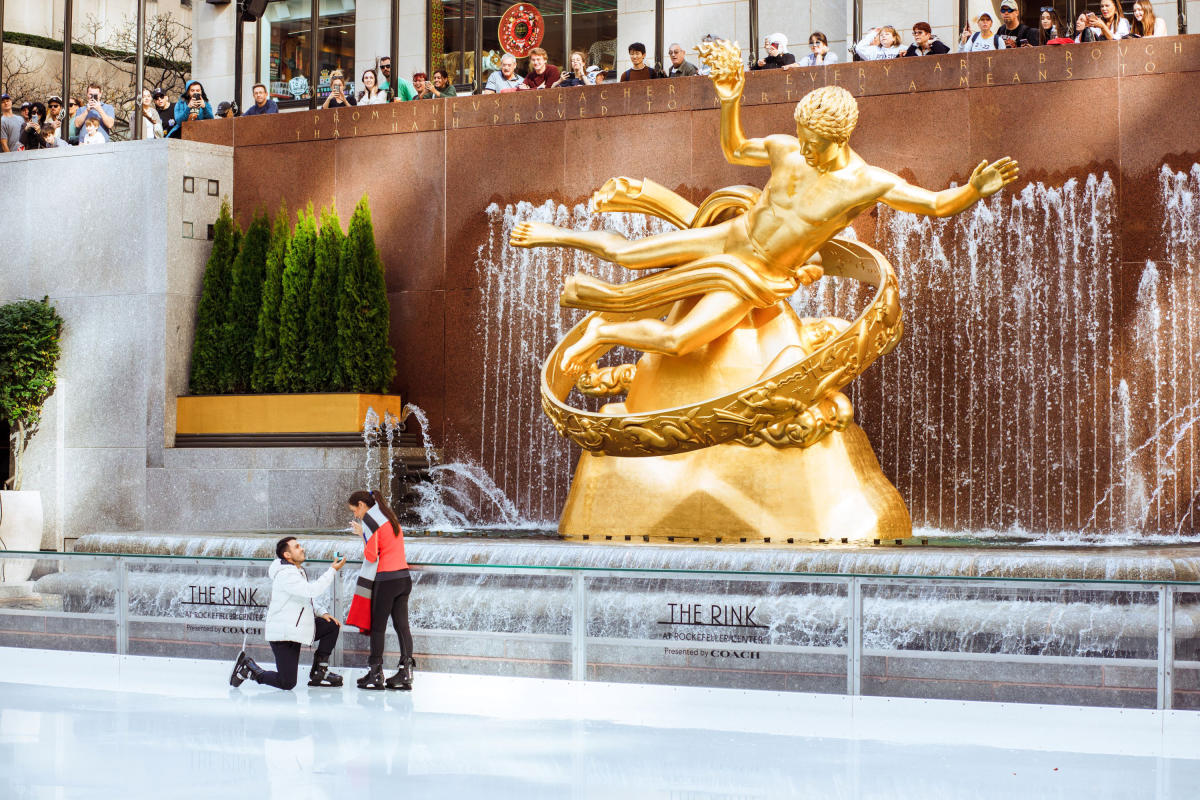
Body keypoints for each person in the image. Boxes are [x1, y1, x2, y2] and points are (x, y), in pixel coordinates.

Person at [509, 62, 1018, 375]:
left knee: (678, 340)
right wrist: (730, 101)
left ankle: (601, 333)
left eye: (816, 143)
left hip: (757, 277)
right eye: (804, 138)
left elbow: (930, 204)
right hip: (729, 237)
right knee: (624, 252)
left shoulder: (869, 184)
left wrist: (973, 189)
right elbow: (734, 147)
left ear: (841, 139)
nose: (807, 149)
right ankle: (560, 233)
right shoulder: (787, 148)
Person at [230, 537, 347, 690]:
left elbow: (305, 597)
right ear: (287, 555)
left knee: (331, 626)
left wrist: (321, 612)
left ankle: (320, 671)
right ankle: (249, 669)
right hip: (284, 635)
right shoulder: (286, 575)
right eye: (297, 547)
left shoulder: (295, 571)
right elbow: (312, 590)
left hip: (297, 628)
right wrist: (332, 570)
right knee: (287, 683)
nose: (302, 549)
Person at [348, 489, 414, 691]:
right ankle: (406, 672)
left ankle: (375, 674)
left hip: (386, 580)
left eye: (354, 511)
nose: (355, 516)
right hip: (403, 578)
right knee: (402, 626)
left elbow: (371, 556)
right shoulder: (388, 515)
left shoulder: (370, 519)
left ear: (361, 504)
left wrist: (362, 535)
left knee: (378, 628)